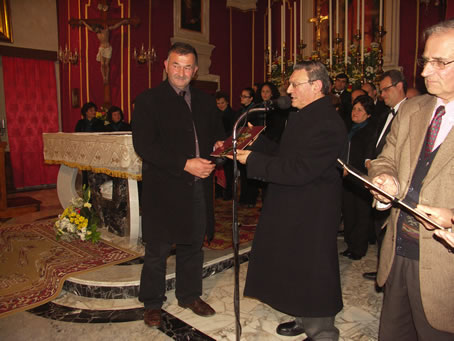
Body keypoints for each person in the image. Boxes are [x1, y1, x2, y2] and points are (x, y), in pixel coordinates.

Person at [234, 61, 347, 340]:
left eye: (295, 84)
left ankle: (322, 330)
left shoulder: (328, 122)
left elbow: (301, 169)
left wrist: (255, 161)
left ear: (316, 86)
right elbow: (287, 156)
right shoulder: (303, 115)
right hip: (295, 205)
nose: (288, 89)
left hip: (313, 210)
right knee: (295, 264)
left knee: (313, 268)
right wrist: (256, 142)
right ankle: (302, 315)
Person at [368, 19, 454, 339]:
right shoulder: (412, 110)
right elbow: (385, 157)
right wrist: (385, 178)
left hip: (446, 267)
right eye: (425, 61)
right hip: (399, 251)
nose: (425, 72)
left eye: (439, 62)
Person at [132, 42, 225, 329]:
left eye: (187, 67)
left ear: (195, 71)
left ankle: (189, 295)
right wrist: (185, 163)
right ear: (165, 65)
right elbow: (145, 146)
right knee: (157, 249)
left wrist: (219, 150)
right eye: (176, 65)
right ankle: (152, 302)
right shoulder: (148, 100)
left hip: (196, 186)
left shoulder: (207, 102)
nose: (181, 72)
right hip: (163, 188)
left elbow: (216, 138)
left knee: (192, 244)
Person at [362, 70, 407, 282]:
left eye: (386, 90)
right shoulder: (384, 114)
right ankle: (383, 267)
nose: (382, 95)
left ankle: (391, 272)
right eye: (380, 91)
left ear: (399, 87)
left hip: (396, 180)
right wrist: (369, 160)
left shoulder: (409, 112)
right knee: (379, 226)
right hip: (377, 174)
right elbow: (374, 140)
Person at [340, 95, 376, 260]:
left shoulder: (370, 131)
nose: (355, 112)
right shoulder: (349, 128)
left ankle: (359, 248)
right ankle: (350, 244)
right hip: (345, 177)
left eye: (360, 110)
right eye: (354, 109)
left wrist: (352, 169)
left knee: (360, 213)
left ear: (368, 114)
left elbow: (368, 156)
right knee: (348, 212)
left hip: (360, 177)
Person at [79, 19, 129, 84]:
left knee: (106, 64)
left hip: (108, 48)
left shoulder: (106, 30)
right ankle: (104, 78)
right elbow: (89, 28)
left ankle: (107, 77)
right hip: (102, 49)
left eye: (96, 30)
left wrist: (123, 21)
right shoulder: (96, 32)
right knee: (102, 64)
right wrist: (83, 22)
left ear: (98, 27)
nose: (95, 31)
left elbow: (115, 26)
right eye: (95, 30)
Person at [214, 92, 234, 200]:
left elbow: (232, 130)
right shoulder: (214, 114)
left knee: (228, 171)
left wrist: (224, 139)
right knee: (217, 169)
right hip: (217, 144)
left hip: (228, 144)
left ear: (227, 102)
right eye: (218, 103)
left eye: (222, 103)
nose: (220, 105)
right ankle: (218, 192)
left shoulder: (232, 114)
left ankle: (228, 193)